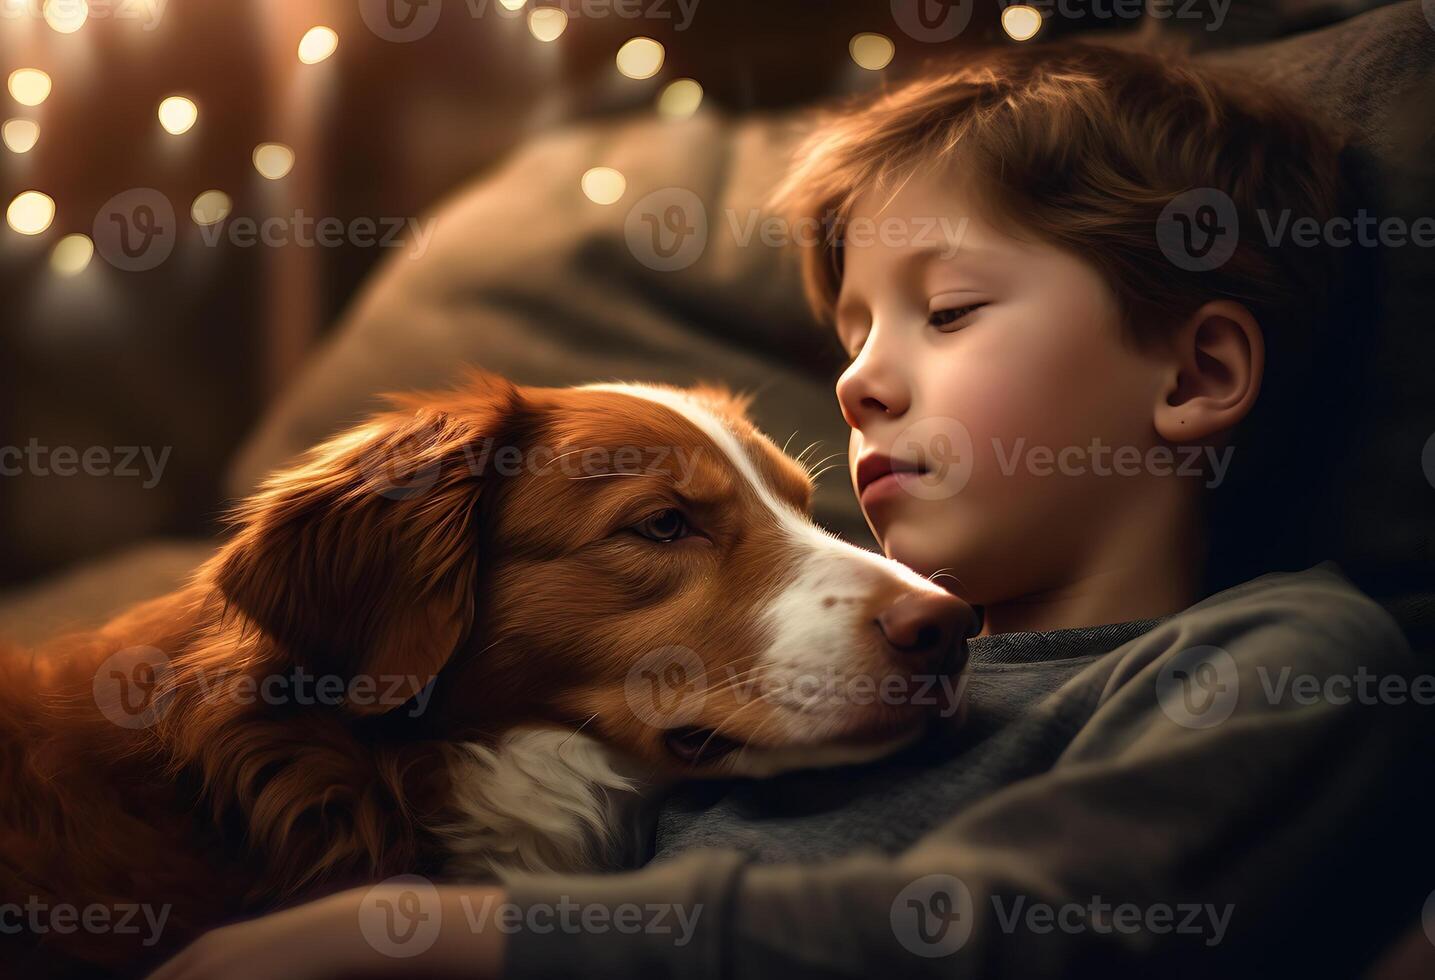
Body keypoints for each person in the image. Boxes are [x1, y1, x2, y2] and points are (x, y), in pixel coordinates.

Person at [149, 43, 1434, 980]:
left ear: (1197, 373)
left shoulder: (1278, 657)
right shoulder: (719, 734)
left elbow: (1043, 924)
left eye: (946, 310)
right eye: (851, 327)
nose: (859, 378)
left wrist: (452, 940)